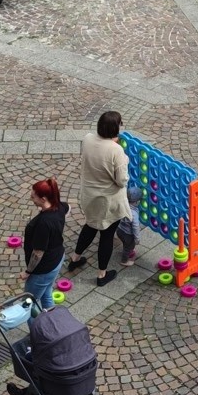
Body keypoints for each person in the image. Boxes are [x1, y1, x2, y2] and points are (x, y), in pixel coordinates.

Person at [67, 110, 131, 287]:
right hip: (108, 201)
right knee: (107, 235)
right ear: (115, 128)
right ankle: (102, 275)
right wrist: (124, 158)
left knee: (90, 225)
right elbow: (122, 180)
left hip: (89, 196)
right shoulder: (116, 151)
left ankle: (75, 258)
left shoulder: (88, 138)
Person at [21, 178, 69, 310]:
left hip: (43, 269)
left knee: (28, 304)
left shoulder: (43, 223)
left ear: (43, 199)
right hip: (57, 259)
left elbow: (38, 252)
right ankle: (51, 324)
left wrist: (28, 271)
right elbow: (68, 208)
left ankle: (37, 330)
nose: (31, 199)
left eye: (33, 197)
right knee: (46, 294)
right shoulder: (59, 206)